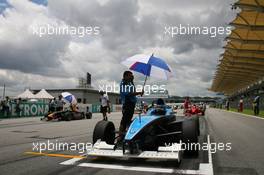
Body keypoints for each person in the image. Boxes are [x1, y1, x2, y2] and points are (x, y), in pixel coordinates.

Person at [118, 71, 144, 140]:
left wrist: (132, 81)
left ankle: (126, 133)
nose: (131, 77)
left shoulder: (129, 83)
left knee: (128, 119)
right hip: (127, 104)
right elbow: (129, 94)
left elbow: (133, 90)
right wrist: (139, 93)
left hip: (131, 104)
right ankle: (120, 136)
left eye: (131, 76)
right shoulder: (123, 84)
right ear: (125, 76)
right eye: (130, 76)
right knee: (124, 120)